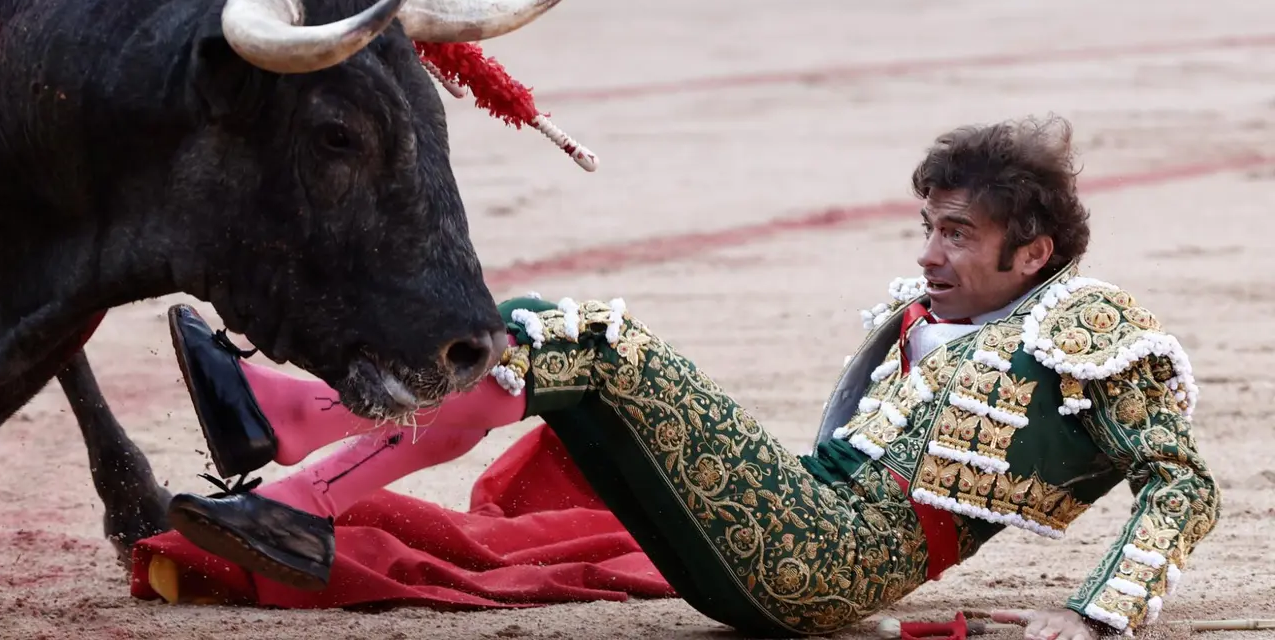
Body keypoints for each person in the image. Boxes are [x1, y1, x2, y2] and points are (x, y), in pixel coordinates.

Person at [157, 115, 1219, 639]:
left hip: (827, 563)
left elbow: (1182, 483)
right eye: (926, 226)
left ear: (1031, 253)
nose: (929, 253)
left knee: (592, 340)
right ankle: (294, 493)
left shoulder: (1090, 323)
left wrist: (1096, 618)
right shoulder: (926, 311)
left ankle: (292, 429)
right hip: (793, 537)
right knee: (551, 350)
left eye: (957, 234)